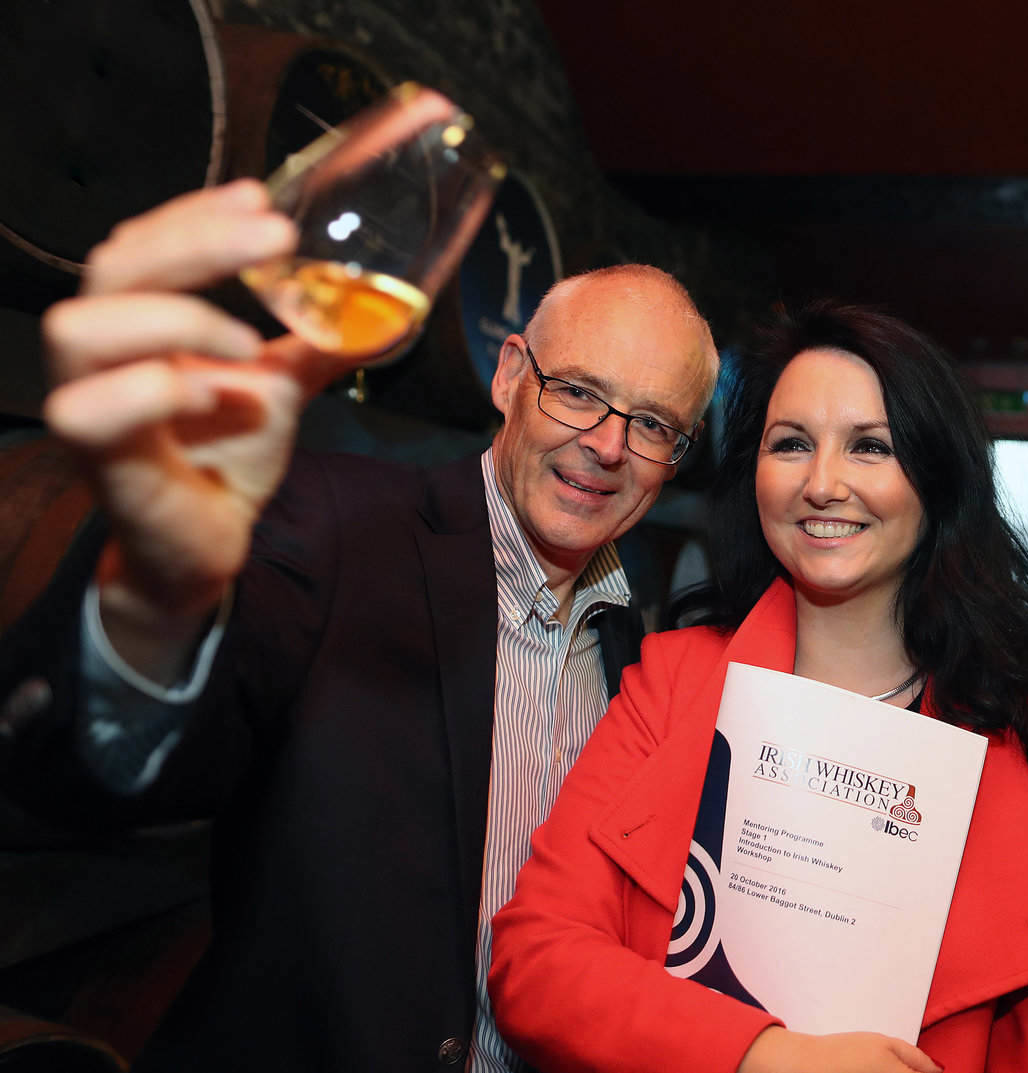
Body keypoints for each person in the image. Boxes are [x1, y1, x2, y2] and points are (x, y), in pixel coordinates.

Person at [0, 181, 719, 1072]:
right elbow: (84, 776)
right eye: (577, 391)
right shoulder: (337, 527)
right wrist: (149, 604)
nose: (607, 445)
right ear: (507, 375)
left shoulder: (628, 647)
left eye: (652, 423)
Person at [487, 303, 1028, 1073]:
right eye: (791, 443)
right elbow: (535, 961)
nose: (823, 484)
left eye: (870, 447)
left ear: (935, 477)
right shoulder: (672, 682)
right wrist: (762, 1055)